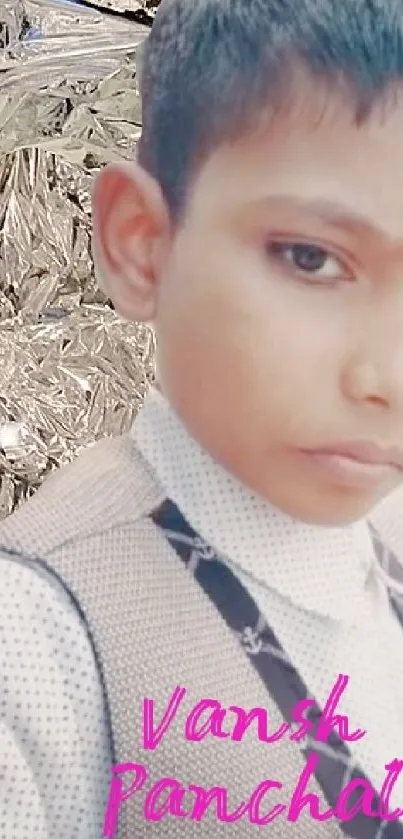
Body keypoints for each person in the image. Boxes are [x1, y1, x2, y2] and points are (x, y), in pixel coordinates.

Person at [2, 0, 403, 836]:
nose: (386, 377)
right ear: (141, 242)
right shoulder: (44, 633)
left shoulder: (385, 537)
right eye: (311, 258)